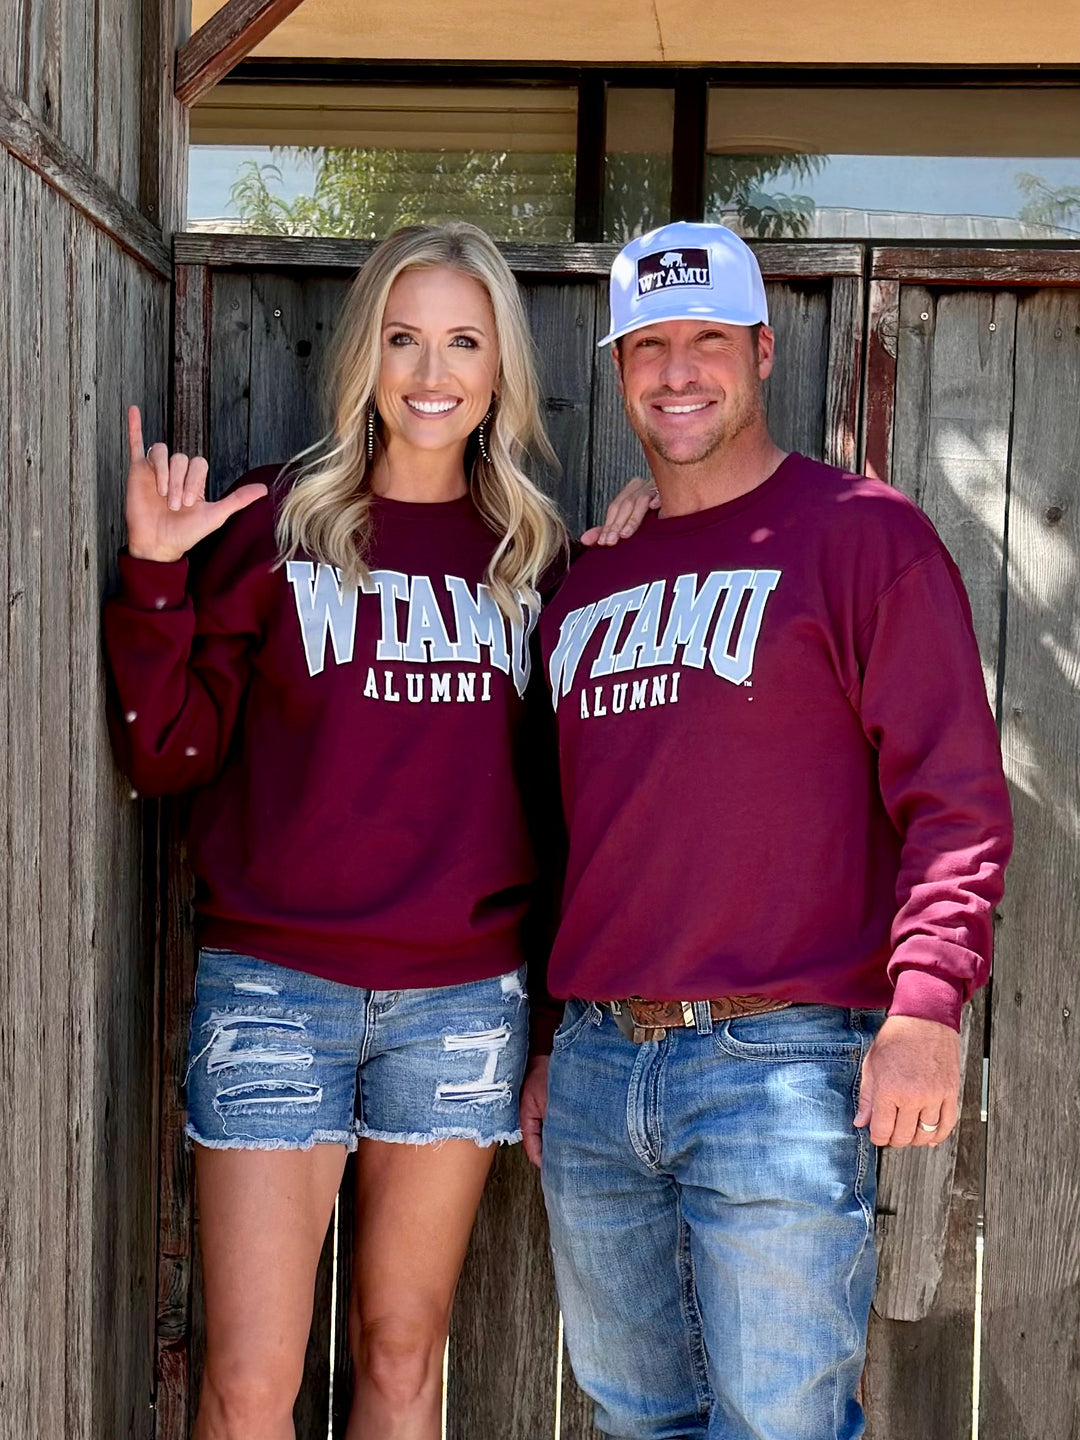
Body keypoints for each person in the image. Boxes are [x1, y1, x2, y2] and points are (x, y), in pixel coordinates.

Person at [103, 222, 652, 1440]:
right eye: (405, 338)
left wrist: (556, 1021)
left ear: (500, 368)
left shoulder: (538, 565)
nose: (431, 371)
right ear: (366, 355)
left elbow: (569, 817)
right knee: (250, 1381)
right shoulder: (274, 529)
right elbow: (167, 752)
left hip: (462, 1003)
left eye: (463, 341)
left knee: (403, 1360)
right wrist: (152, 574)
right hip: (273, 992)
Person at [520, 221, 1013, 1440]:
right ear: (621, 365)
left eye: (706, 342)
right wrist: (547, 1039)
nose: (677, 372)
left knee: (783, 1425)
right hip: (594, 1069)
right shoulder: (588, 579)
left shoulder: (861, 536)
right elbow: (562, 837)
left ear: (762, 348)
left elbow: (952, 792)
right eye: (649, 346)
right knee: (637, 1418)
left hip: (781, 1068)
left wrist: (925, 1006)